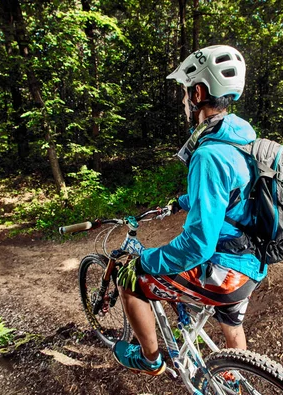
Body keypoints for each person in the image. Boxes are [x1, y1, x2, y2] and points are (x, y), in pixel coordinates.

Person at [114, 45, 266, 375]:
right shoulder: (243, 135)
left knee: (128, 279)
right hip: (252, 261)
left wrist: (148, 260)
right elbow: (233, 192)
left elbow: (198, 246)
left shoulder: (209, 155)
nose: (184, 100)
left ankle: (150, 359)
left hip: (225, 271)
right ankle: (233, 378)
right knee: (230, 317)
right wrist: (182, 202)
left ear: (197, 92)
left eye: (185, 92)